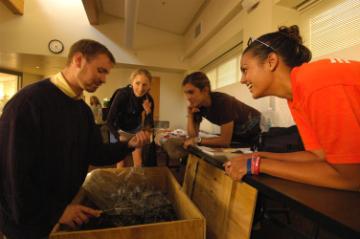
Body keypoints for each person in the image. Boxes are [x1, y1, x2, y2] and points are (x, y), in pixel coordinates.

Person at [0, 39, 150, 239]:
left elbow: (94, 153)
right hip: (29, 222)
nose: (104, 79)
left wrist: (128, 145)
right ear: (78, 60)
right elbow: (11, 175)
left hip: (64, 210)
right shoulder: (28, 103)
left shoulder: (83, 111)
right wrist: (56, 212)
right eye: (101, 70)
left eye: (106, 73)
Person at [224, 25, 360, 191]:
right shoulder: (297, 93)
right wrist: (259, 155)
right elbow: (318, 156)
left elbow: (351, 178)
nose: (242, 80)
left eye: (245, 70)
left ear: (271, 61)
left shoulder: (315, 83)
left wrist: (256, 165)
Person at [183, 71, 261, 149]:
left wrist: (197, 140)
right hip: (240, 136)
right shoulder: (199, 107)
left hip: (259, 130)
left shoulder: (223, 101)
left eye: (191, 92)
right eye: (186, 93)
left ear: (205, 90)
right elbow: (192, 137)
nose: (188, 97)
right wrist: (190, 115)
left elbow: (224, 141)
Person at [107, 68, 154, 167]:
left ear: (149, 85)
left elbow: (150, 124)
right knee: (121, 161)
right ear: (132, 83)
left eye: (145, 84)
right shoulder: (122, 94)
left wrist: (148, 112)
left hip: (135, 128)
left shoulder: (148, 99)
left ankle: (136, 181)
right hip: (118, 128)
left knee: (138, 161)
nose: (141, 89)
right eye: (137, 83)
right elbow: (109, 120)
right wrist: (118, 136)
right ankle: (121, 182)